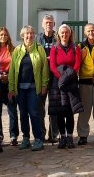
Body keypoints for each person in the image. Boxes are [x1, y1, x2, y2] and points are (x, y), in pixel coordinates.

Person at [8, 25, 49, 151]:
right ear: (22, 36)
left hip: (33, 87)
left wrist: (44, 84)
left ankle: (38, 139)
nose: (29, 36)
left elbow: (44, 68)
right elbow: (12, 70)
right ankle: (26, 138)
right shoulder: (17, 50)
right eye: (27, 33)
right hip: (20, 88)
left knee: (34, 112)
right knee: (23, 114)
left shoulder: (39, 49)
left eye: (31, 33)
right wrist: (11, 88)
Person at [48, 24, 83, 149]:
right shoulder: (54, 48)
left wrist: (67, 77)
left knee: (69, 111)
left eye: (66, 32)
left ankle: (69, 136)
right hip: (57, 83)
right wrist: (61, 78)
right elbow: (52, 66)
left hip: (71, 82)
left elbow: (77, 64)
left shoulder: (75, 47)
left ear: (70, 34)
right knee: (59, 111)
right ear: (59, 34)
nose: (64, 35)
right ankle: (62, 136)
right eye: (62, 33)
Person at [76, 23, 94, 146]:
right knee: (84, 110)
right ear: (85, 33)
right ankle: (83, 135)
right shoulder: (80, 46)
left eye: (93, 30)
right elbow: (77, 64)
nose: (91, 33)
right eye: (88, 31)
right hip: (85, 81)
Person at [0, 26, 19, 146]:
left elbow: (16, 67)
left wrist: (9, 77)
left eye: (5, 34)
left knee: (12, 110)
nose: (3, 37)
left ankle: (13, 135)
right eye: (1, 35)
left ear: (8, 36)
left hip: (9, 82)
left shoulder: (13, 50)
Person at [37, 14, 59, 143]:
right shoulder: (37, 39)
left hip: (55, 76)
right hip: (41, 76)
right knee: (40, 106)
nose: (48, 24)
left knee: (54, 106)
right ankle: (40, 133)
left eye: (50, 22)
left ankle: (53, 134)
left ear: (54, 24)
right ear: (42, 24)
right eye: (46, 22)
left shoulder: (58, 37)